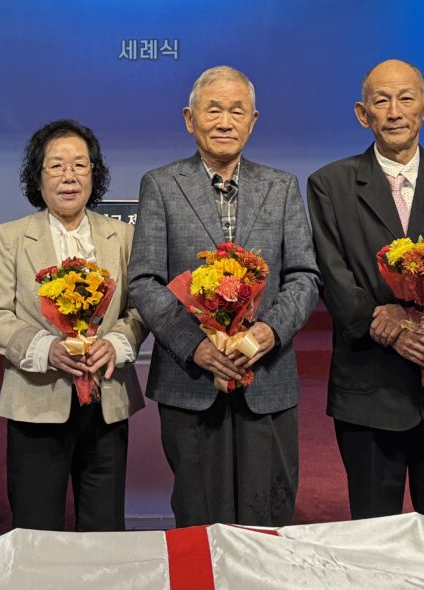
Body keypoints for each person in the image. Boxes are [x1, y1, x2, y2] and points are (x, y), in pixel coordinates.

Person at [127, 65, 321, 528]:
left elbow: (304, 276)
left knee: (267, 514)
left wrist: (267, 332)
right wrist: (196, 346)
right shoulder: (161, 184)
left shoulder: (282, 186)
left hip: (267, 376)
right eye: (213, 109)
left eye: (237, 111)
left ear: (253, 121)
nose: (225, 121)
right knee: (199, 517)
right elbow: (145, 281)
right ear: (189, 118)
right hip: (191, 380)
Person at [306, 58, 424, 526]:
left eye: (405, 99)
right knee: (374, 532)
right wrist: (387, 327)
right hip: (369, 387)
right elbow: (331, 271)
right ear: (362, 113)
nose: (394, 112)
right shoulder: (329, 185)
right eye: (381, 101)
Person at [0, 119, 146, 531]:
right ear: (37, 178)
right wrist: (44, 349)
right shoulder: (11, 236)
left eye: (80, 165)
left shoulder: (122, 236)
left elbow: (140, 310)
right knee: (36, 528)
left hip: (107, 402)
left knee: (104, 529)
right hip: (36, 400)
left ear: (94, 174)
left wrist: (116, 343)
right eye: (56, 165)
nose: (69, 176)